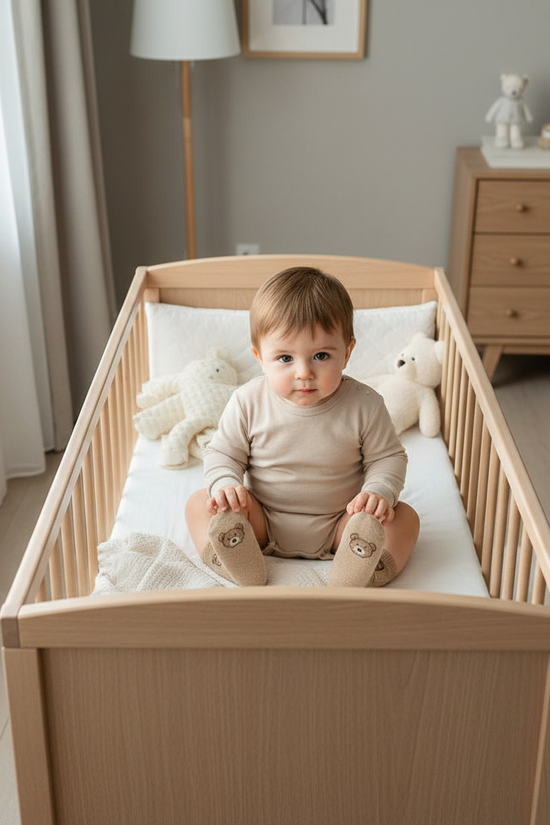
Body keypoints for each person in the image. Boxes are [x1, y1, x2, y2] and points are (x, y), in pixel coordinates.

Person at [185, 266, 419, 587]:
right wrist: (226, 485)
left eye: (321, 355)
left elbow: (388, 458)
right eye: (285, 358)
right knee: (200, 503)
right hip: (259, 521)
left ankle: (360, 568)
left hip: (343, 525)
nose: (304, 372)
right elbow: (223, 453)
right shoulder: (248, 400)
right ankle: (232, 556)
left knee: (404, 518)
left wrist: (377, 493)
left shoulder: (365, 404)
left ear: (347, 353)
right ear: (260, 357)